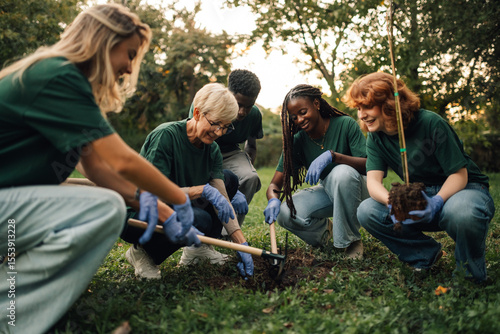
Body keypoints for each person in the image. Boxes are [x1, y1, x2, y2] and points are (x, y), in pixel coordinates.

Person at [0, 4, 200, 334]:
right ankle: (11, 317)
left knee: (100, 196)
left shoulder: (67, 82)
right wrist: (179, 198)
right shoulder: (58, 75)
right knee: (103, 207)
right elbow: (121, 160)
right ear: (104, 40)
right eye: (129, 53)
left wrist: (159, 207)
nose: (128, 67)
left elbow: (98, 169)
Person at [343, 72, 495, 283]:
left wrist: (438, 201)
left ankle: (468, 277)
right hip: (422, 193)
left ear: (389, 104)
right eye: (358, 108)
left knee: (461, 212)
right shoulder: (376, 137)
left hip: (465, 189)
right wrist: (392, 203)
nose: (361, 115)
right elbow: (373, 182)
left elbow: (459, 175)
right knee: (368, 211)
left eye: (367, 107)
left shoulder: (431, 122)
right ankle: (425, 255)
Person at [122, 83, 254, 279]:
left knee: (229, 180)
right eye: (216, 123)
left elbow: (222, 199)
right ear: (198, 113)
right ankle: (142, 253)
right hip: (139, 215)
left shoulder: (212, 149)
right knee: (199, 218)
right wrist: (200, 190)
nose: (218, 132)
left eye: (225, 127)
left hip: (175, 206)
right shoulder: (166, 136)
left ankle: (198, 250)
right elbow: (152, 193)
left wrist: (241, 243)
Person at [263, 84, 369, 259]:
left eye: (303, 112)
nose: (299, 119)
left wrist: (334, 156)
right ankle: (329, 236)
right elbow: (275, 184)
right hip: (329, 190)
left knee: (342, 173)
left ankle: (351, 241)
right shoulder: (297, 142)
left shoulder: (345, 124)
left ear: (317, 104)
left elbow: (369, 166)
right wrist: (273, 200)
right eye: (294, 117)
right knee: (285, 213)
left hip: (359, 190)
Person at [189, 69, 263, 226]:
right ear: (228, 94)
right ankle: (205, 224)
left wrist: (244, 177)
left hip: (231, 152)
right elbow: (194, 141)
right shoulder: (206, 103)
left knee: (250, 177)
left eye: (248, 106)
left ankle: (229, 233)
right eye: (239, 104)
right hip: (203, 151)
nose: (242, 112)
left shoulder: (254, 115)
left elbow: (251, 145)